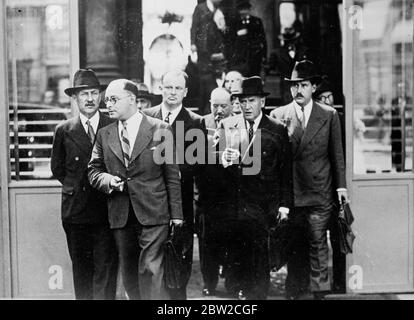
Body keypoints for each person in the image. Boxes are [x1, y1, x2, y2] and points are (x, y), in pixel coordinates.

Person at [88, 79, 183, 300]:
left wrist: (176, 215)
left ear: (132, 99)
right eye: (106, 100)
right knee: (130, 273)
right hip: (121, 215)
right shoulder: (105, 134)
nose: (107, 105)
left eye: (113, 99)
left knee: (150, 269)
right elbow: (93, 171)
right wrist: (108, 180)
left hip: (154, 213)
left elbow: (172, 175)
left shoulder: (160, 129)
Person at [270, 60, 348, 299]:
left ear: (313, 87)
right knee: (294, 244)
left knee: (317, 242)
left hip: (319, 191)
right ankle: (294, 289)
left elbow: (337, 155)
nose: (298, 91)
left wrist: (341, 187)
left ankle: (319, 291)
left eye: (303, 85)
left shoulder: (329, 115)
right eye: (294, 86)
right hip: (291, 192)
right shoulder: (279, 115)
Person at [216, 76, 293, 300]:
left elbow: (285, 171)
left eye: (251, 101)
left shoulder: (276, 129)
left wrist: (284, 206)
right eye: (243, 101)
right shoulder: (228, 126)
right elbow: (214, 165)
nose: (247, 106)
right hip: (234, 206)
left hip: (262, 206)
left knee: (260, 260)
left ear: (262, 102)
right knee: (234, 261)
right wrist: (223, 160)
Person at [51, 69, 118, 300]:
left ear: (100, 96)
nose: (89, 99)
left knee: (106, 270)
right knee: (81, 270)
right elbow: (57, 169)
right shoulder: (64, 130)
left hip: (106, 211)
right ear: (75, 99)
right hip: (76, 213)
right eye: (83, 94)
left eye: (93, 93)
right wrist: (76, 187)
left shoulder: (113, 125)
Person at [143, 70, 206, 300]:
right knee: (151, 263)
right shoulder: (146, 116)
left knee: (178, 263)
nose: (172, 92)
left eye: (177, 88)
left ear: (185, 92)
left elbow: (197, 164)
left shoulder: (194, 122)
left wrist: (171, 170)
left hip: (181, 202)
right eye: (168, 87)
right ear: (160, 88)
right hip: (150, 202)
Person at [195, 87, 234, 297]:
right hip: (206, 196)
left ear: (231, 105)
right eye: (215, 106)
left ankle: (230, 280)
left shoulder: (239, 124)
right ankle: (209, 282)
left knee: (230, 241)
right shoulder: (201, 124)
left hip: (230, 196)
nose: (219, 110)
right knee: (206, 243)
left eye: (223, 106)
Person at [313, 78, 346, 293]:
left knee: (340, 237)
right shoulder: (320, 121)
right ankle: (324, 284)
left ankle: (340, 280)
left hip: (339, 187)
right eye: (322, 99)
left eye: (330, 97)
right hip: (324, 187)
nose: (327, 101)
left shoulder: (340, 119)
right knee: (320, 239)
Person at [191, 0, 229, 115]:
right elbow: (194, 26)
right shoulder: (200, 8)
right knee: (204, 81)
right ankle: (202, 112)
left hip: (215, 49)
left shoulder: (219, 10)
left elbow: (223, 30)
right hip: (203, 50)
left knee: (215, 80)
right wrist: (193, 43)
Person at [227, 1, 267, 77]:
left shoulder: (257, 21)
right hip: (240, 59)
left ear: (249, 10)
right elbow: (231, 41)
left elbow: (263, 40)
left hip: (254, 58)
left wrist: (264, 56)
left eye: (245, 9)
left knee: (254, 78)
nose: (243, 12)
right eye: (241, 9)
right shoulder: (235, 23)